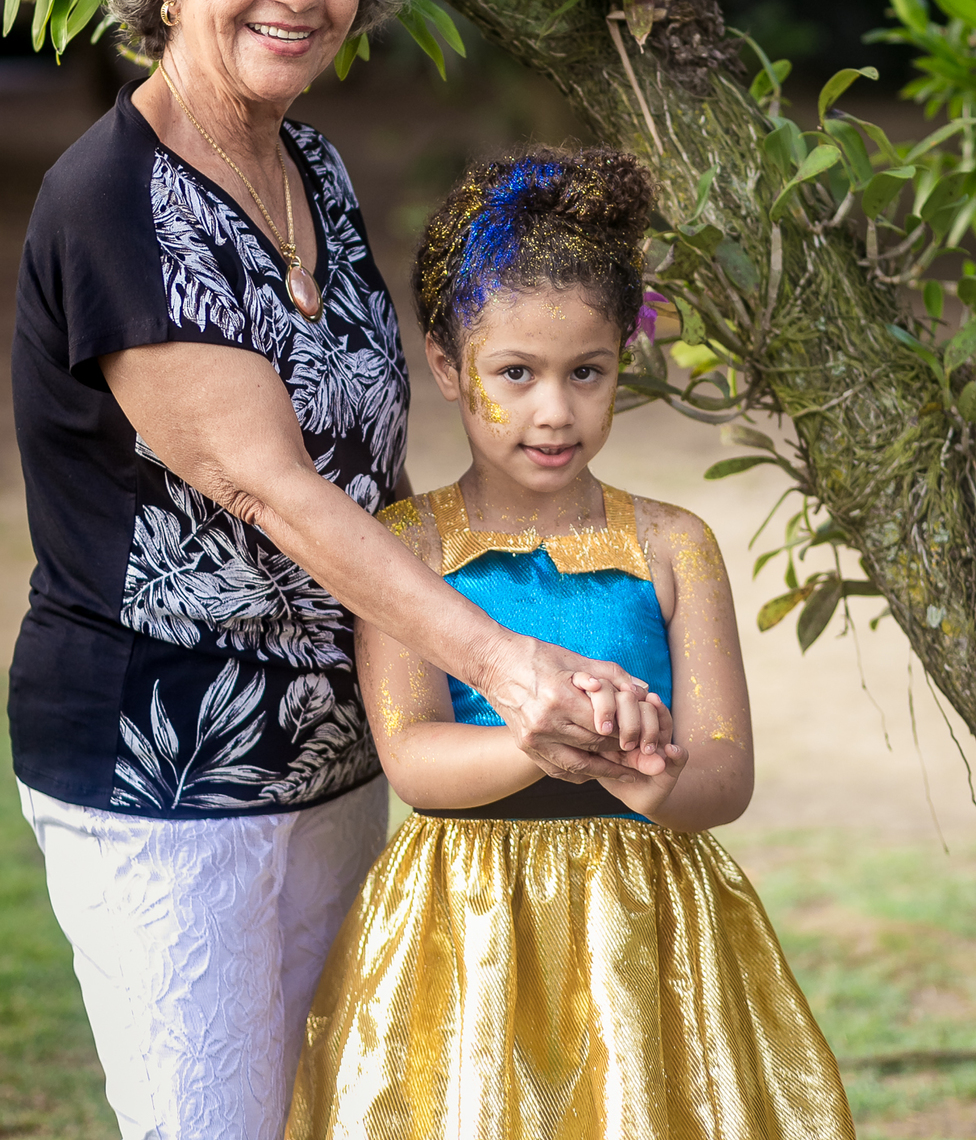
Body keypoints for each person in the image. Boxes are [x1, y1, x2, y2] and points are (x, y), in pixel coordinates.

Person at [8, 0, 670, 1140]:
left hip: (333, 760)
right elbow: (273, 487)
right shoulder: (114, 201)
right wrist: (504, 661)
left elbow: (382, 465)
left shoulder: (311, 167)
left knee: (328, 1112)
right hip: (164, 771)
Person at [287, 146, 855, 1140]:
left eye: (586, 372)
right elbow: (414, 757)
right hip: (463, 930)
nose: (555, 410)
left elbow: (726, 773)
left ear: (621, 365)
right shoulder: (405, 545)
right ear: (447, 365)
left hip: (648, 931)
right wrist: (547, 738)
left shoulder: (676, 545)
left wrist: (650, 775)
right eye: (517, 373)